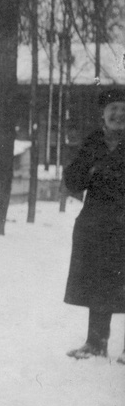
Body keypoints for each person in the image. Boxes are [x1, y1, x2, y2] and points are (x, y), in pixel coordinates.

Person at [63, 86, 125, 362]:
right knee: (99, 283)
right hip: (97, 225)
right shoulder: (92, 143)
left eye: (124, 110)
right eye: (113, 109)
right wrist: (86, 165)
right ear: (103, 114)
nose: (119, 115)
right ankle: (96, 343)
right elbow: (74, 182)